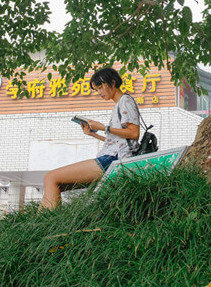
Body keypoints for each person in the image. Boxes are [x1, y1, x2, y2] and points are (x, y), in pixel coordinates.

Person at [40, 67, 140, 209]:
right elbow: (121, 142)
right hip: (112, 157)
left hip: (113, 160)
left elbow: (134, 133)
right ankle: (40, 220)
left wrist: (104, 128)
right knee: (55, 183)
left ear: (113, 82)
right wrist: (93, 134)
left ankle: (45, 220)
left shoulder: (125, 101)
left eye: (100, 87)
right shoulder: (120, 104)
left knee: (51, 177)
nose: (99, 92)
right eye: (96, 89)